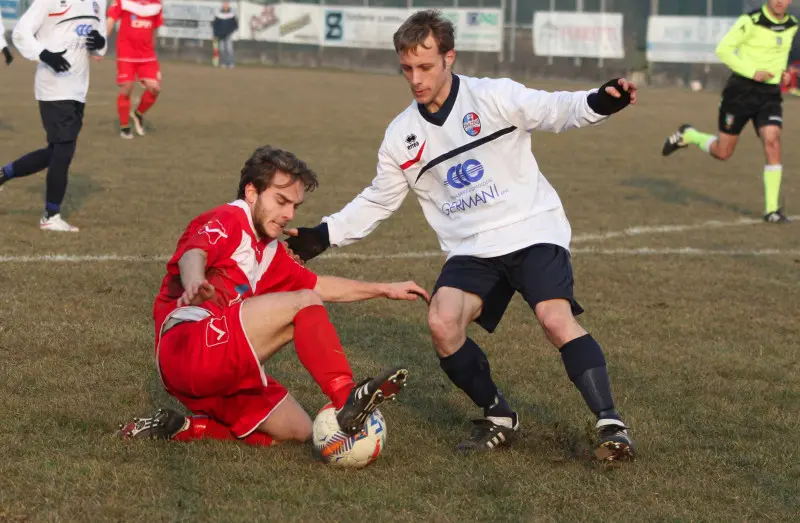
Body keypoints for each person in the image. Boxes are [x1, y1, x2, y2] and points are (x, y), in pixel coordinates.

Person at [285, 10, 637, 461]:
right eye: (407, 68)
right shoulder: (401, 136)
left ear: (449, 57)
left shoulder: (494, 96)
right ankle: (498, 415)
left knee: (554, 318)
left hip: (532, 226)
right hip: (472, 247)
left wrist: (599, 102)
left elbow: (556, 110)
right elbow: (379, 199)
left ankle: (611, 423)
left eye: (426, 66)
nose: (416, 78)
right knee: (442, 323)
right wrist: (323, 235)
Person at [117, 145, 430, 446]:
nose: (289, 214)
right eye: (281, 201)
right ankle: (346, 396)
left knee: (298, 430)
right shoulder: (230, 219)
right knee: (304, 303)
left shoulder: (269, 250)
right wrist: (195, 281)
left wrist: (383, 289)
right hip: (187, 348)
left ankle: (184, 428)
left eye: (295, 206)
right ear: (252, 192)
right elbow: (194, 252)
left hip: (218, 366)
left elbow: (318, 285)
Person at [662, 0, 797, 224]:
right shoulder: (750, 21)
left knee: (772, 140)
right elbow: (723, 50)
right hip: (740, 93)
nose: (780, 2)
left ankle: (772, 211)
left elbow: (785, 52)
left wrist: (784, 72)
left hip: (769, 95)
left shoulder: (792, 24)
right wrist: (752, 72)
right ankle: (689, 135)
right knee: (723, 152)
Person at [0, 0, 107, 231]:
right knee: (64, 150)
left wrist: (99, 43)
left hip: (79, 88)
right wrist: (44, 54)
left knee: (57, 151)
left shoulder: (98, 3)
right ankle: (51, 215)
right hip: (53, 86)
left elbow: (100, 45)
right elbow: (21, 32)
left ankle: (3, 173)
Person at [106, 0, 163, 139]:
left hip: (147, 55)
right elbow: (111, 20)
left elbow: (155, 29)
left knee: (154, 88)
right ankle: (124, 126)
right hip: (126, 53)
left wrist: (153, 54)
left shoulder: (156, 4)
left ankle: (138, 114)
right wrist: (101, 42)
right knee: (127, 87)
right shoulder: (123, 1)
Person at [212, 2, 238, 69]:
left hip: (228, 35)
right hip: (220, 35)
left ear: (228, 6)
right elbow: (215, 25)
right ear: (222, 6)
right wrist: (215, 34)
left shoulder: (232, 15)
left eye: (226, 5)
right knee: (221, 49)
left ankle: (231, 63)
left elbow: (235, 25)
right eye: (224, 5)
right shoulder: (219, 15)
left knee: (229, 49)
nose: (225, 7)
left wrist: (230, 31)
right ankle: (223, 63)